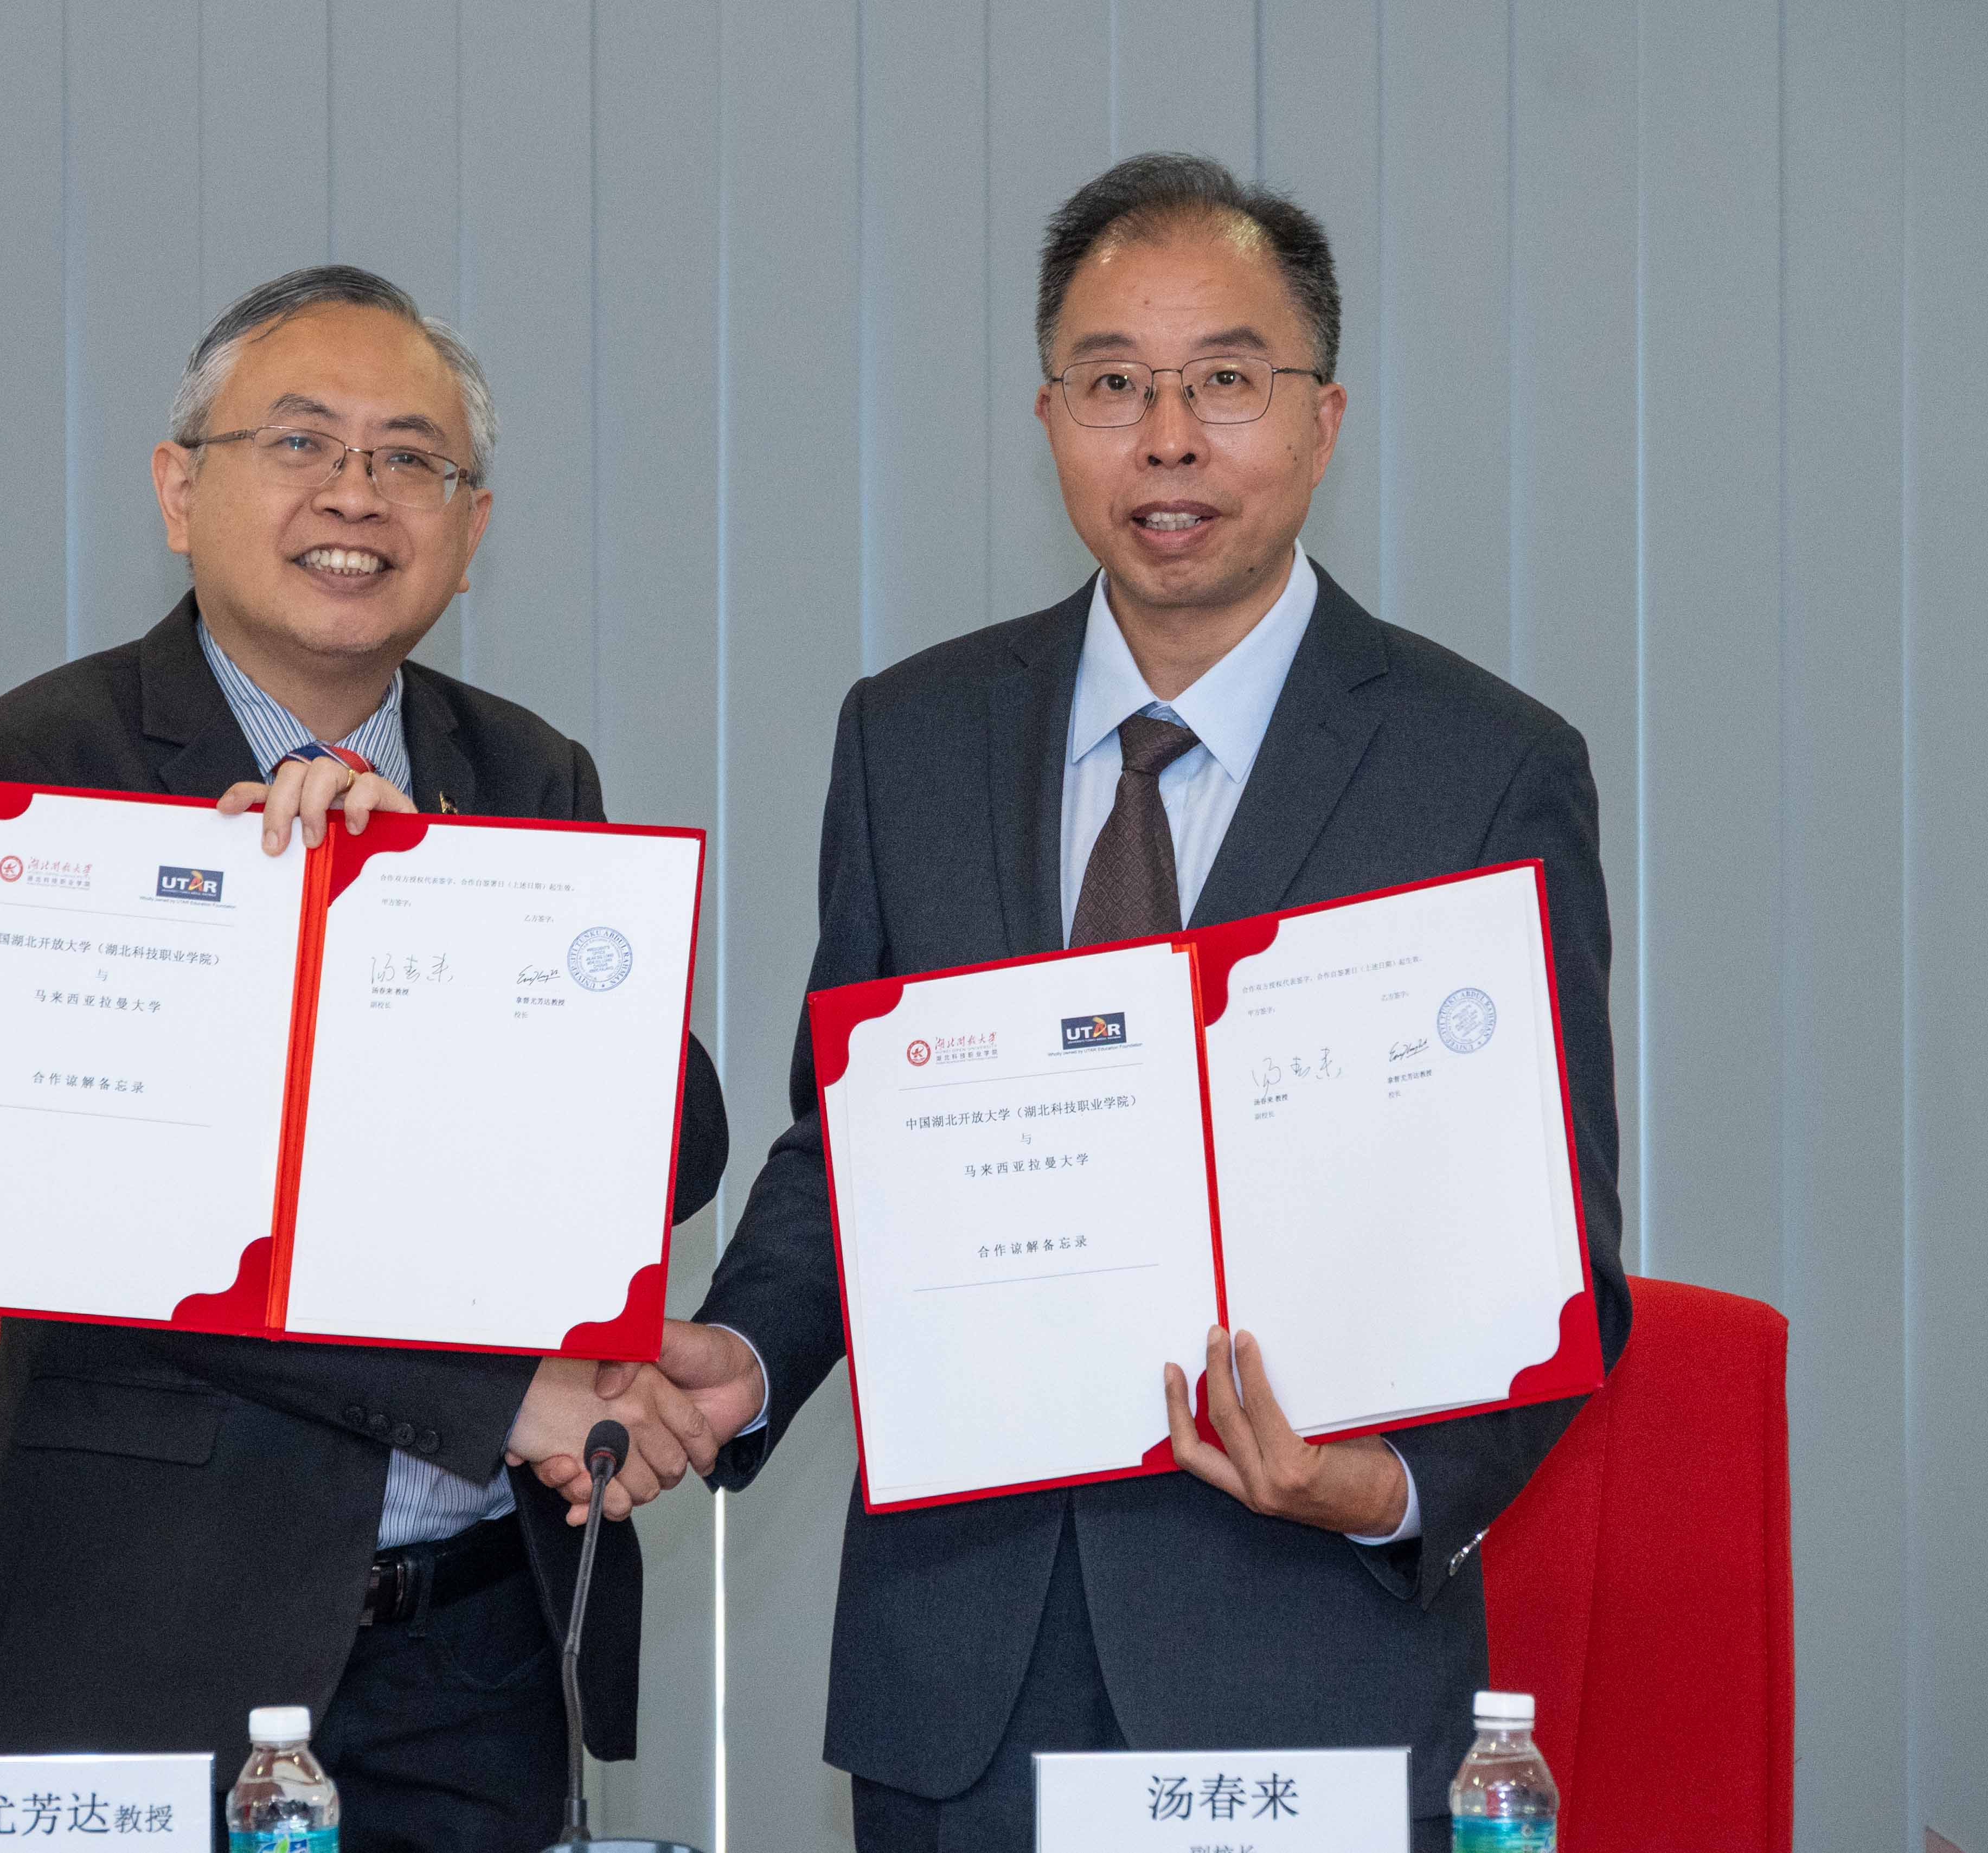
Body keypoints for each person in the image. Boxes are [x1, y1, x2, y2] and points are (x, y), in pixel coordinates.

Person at [539, 153, 1631, 1851]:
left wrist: (1380, 1485)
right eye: (1115, 383)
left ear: (1324, 419)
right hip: (959, 1674)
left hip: (1299, 1665)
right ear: (1050, 417)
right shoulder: (911, 734)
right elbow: (852, 1146)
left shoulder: (1480, 769)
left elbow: (1553, 1250)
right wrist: (740, 1357)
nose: (1170, 436)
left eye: (1227, 382)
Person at [0, 264, 729, 1852]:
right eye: (300, 441)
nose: (356, 492)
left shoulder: (522, 769)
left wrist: (437, 902)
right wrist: (492, 1396)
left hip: (475, 1649)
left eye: (411, 457)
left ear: (472, 529)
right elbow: (97, 1215)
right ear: (179, 489)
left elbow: (667, 1143)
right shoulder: (47, 766)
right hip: (146, 1635)